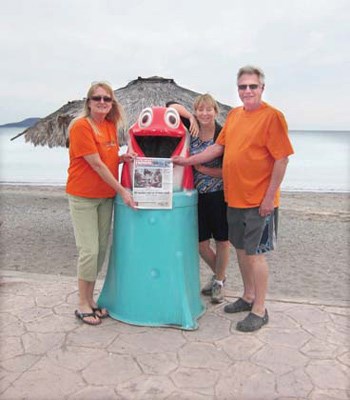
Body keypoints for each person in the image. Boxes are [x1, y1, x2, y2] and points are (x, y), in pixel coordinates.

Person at [172, 66, 294, 332]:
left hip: (259, 202)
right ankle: (248, 296)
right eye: (242, 87)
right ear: (237, 89)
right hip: (234, 198)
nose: (247, 91)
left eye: (252, 86)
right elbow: (218, 147)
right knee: (240, 251)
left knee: (256, 255)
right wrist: (188, 160)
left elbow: (281, 159)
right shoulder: (235, 116)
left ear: (262, 88)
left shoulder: (272, 117)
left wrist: (269, 198)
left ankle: (260, 310)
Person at [66, 81, 136, 326]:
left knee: (100, 251)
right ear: (89, 102)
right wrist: (123, 191)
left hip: (105, 197)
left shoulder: (109, 127)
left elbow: (105, 160)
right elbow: (94, 164)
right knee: (89, 251)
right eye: (97, 98)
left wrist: (121, 158)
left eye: (107, 99)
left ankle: (90, 299)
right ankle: (82, 303)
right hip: (84, 196)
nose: (103, 103)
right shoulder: (81, 127)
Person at [167, 95, 230, 304]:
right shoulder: (191, 128)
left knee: (222, 240)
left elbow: (229, 172)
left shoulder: (222, 134)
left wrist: (203, 169)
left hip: (219, 195)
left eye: (208, 110)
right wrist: (190, 118)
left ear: (215, 111)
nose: (205, 113)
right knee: (201, 244)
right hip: (195, 196)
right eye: (200, 110)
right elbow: (170, 106)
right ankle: (220, 276)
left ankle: (219, 282)